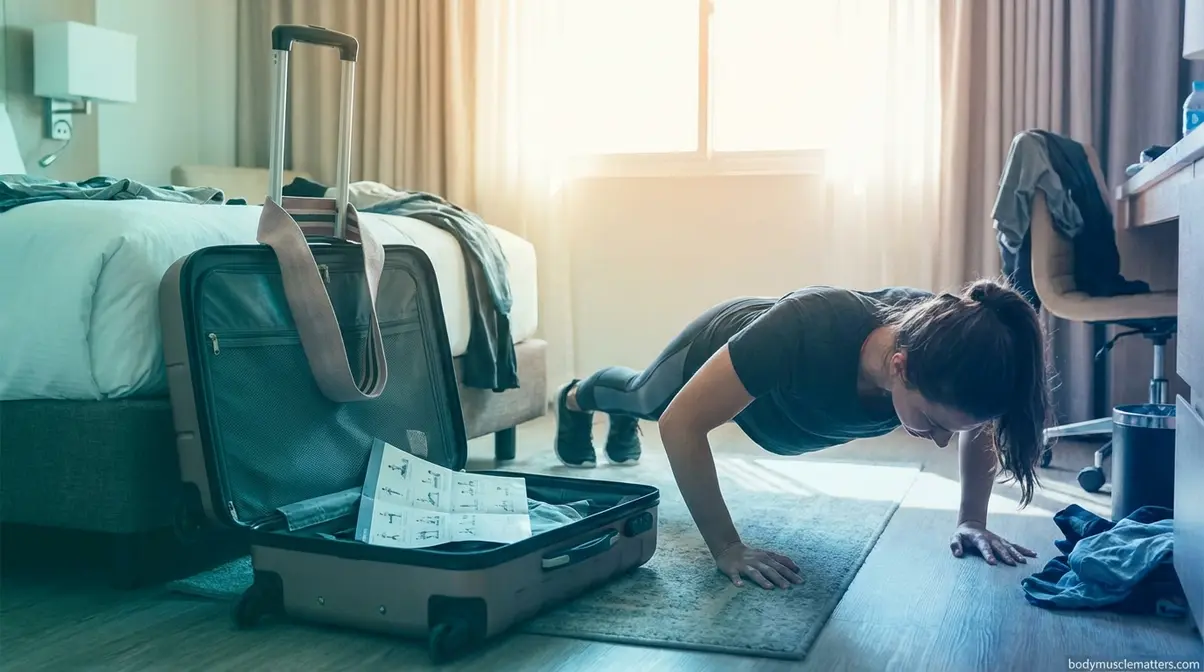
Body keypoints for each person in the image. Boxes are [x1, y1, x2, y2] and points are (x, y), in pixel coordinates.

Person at [553, 279, 1051, 590]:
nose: (942, 441)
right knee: (646, 399)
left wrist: (971, 519)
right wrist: (728, 548)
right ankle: (577, 397)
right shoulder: (807, 328)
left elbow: (975, 422)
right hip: (725, 344)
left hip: (782, 412)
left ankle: (616, 414)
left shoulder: (943, 349)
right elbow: (680, 425)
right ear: (899, 368)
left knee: (647, 404)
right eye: (936, 425)